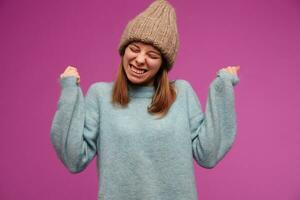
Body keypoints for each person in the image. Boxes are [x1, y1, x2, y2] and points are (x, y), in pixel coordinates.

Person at [50, 0, 240, 199]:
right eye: (134, 48)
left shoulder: (181, 94)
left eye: (152, 54)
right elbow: (73, 159)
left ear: (163, 64)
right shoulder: (100, 96)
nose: (140, 59)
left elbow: (208, 155)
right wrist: (69, 92)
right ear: (123, 50)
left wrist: (222, 89)